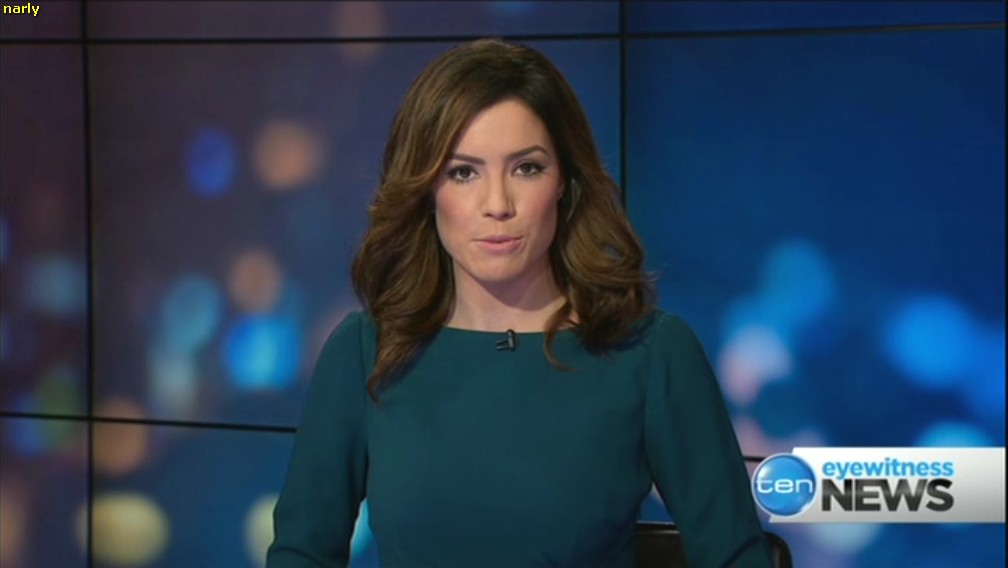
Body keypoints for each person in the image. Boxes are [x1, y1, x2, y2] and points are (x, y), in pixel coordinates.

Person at [267, 38, 773, 567]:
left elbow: (736, 558)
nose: (497, 204)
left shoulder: (651, 355)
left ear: (564, 182)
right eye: (463, 172)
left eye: (526, 168)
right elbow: (302, 554)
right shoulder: (364, 352)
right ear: (426, 189)